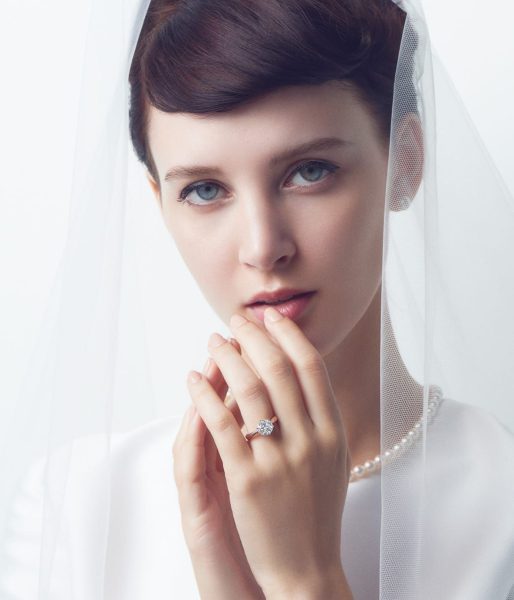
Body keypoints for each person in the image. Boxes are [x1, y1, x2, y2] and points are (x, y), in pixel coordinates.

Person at [1, 0, 514, 598]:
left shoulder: (502, 496)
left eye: (310, 171)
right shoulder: (80, 503)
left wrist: (305, 579)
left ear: (405, 162)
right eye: (204, 190)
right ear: (160, 203)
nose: (263, 247)